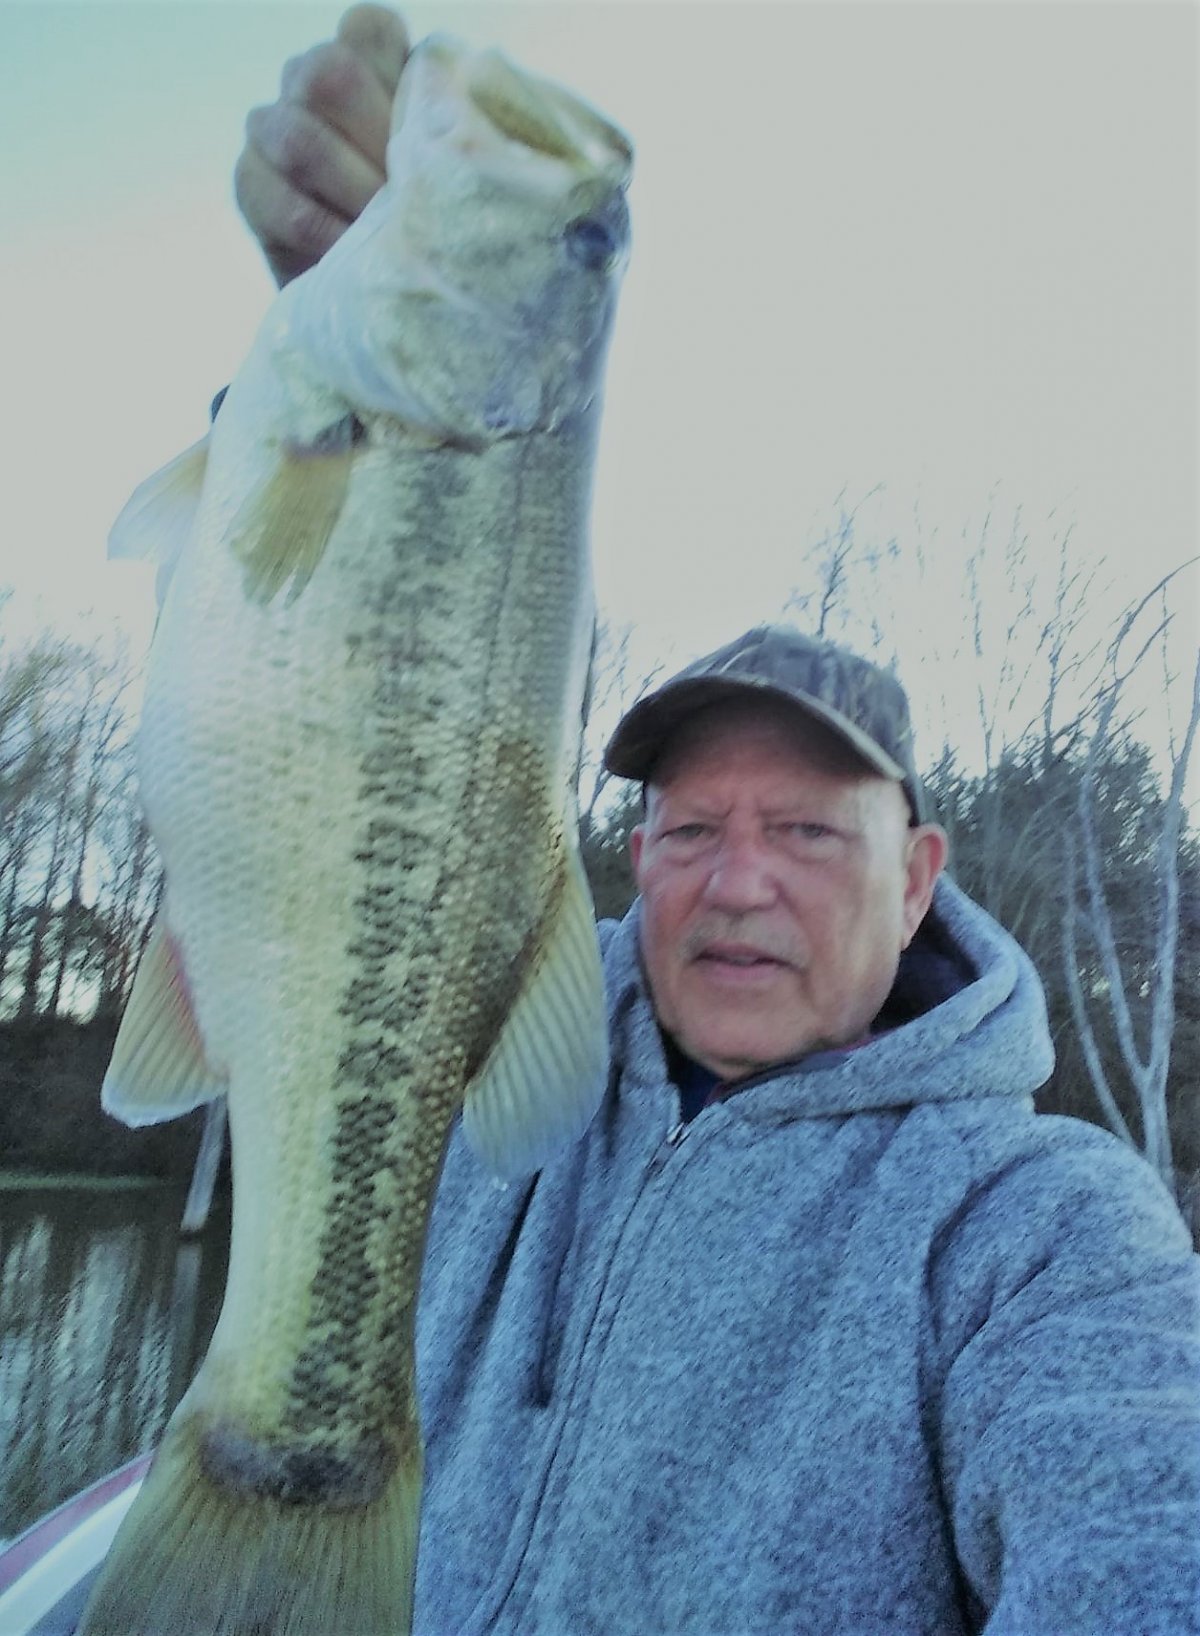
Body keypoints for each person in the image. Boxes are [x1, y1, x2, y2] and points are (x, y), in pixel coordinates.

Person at [234, 11, 1200, 1634]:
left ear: (918, 880)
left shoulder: (1036, 1230)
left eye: (810, 832)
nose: (737, 881)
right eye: (689, 829)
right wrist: (334, 338)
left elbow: (1147, 1516)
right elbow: (317, 705)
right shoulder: (483, 1070)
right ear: (640, 861)